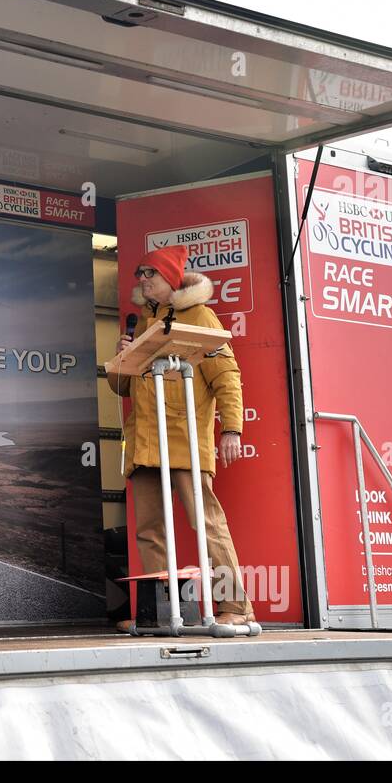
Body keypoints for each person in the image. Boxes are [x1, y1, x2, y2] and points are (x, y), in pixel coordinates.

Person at [107, 244, 256, 628]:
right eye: (139, 273)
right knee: (150, 532)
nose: (141, 280)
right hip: (143, 443)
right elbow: (122, 388)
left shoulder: (201, 316)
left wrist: (233, 429)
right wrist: (122, 355)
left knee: (207, 524)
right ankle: (162, 612)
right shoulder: (142, 321)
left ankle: (236, 608)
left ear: (170, 278)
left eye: (149, 273)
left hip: (185, 439)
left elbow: (227, 376)